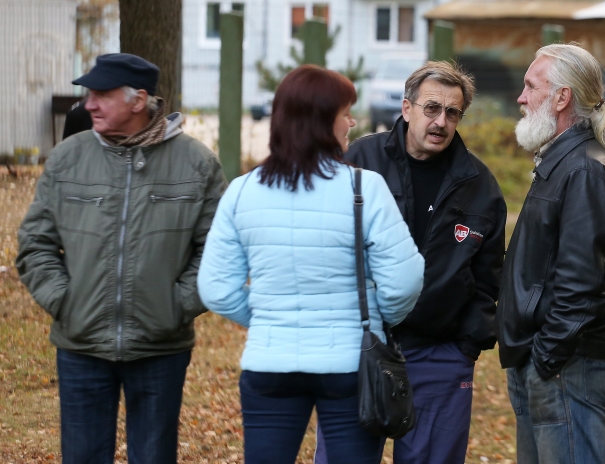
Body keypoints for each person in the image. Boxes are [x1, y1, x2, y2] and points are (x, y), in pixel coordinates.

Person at [197, 65, 424, 464]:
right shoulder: (363, 187)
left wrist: (270, 317)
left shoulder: (242, 191)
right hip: (350, 364)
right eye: (345, 112)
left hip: (270, 361)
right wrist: (372, 321)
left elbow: (216, 288)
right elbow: (404, 280)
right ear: (321, 121)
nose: (352, 121)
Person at [17, 53, 226, 464]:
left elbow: (218, 251)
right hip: (81, 345)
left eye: (100, 95)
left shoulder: (196, 164)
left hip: (160, 347)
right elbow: (35, 243)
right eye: (88, 95)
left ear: (138, 100)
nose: (87, 104)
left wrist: (176, 306)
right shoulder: (67, 158)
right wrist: (65, 301)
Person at [313, 61, 507, 464]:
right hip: (359, 348)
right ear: (406, 108)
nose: (441, 121)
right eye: (432, 108)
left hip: (439, 356)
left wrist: (465, 347)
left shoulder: (479, 186)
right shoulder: (358, 162)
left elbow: (489, 277)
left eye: (452, 112)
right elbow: (323, 247)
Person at [497, 43, 605, 464]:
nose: (521, 98)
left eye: (530, 86)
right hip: (544, 361)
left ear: (561, 98)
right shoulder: (561, 161)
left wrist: (544, 360)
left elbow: (581, 282)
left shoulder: (584, 168)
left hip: (563, 366)